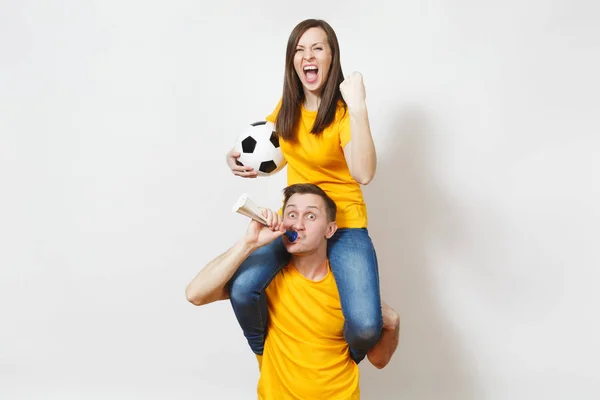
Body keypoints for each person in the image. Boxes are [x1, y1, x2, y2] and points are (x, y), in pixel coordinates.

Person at [225, 18, 383, 364]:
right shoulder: (287, 107)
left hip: (344, 226)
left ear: (331, 57)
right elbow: (278, 155)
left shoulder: (343, 114)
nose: (307, 55)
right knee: (242, 289)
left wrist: (358, 107)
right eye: (299, 49)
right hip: (296, 223)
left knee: (368, 326)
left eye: (317, 47)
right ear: (292, 61)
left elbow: (364, 172)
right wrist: (236, 159)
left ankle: (340, 355)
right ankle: (273, 358)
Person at [186, 184, 400, 399]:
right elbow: (196, 294)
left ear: (330, 229)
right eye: (291, 214)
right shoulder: (264, 282)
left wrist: (393, 324)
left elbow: (379, 361)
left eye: (310, 216)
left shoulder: (349, 288)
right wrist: (249, 243)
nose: (298, 224)